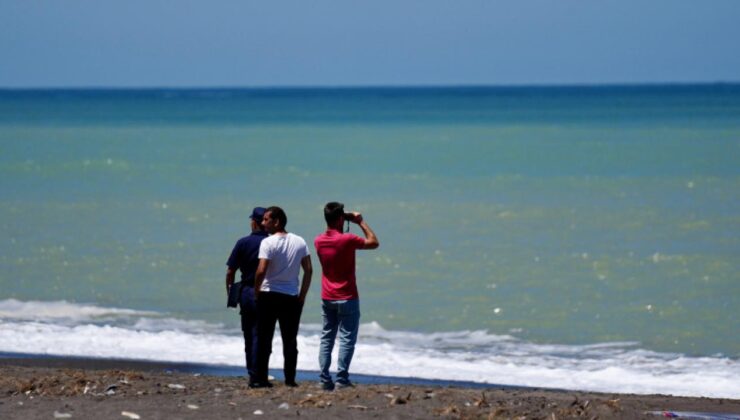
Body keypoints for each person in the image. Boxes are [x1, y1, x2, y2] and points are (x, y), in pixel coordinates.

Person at [314, 202, 379, 390]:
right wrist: (360, 222)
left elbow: (332, 234)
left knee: (327, 338)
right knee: (347, 338)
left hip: (327, 296)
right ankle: (342, 379)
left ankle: (324, 379)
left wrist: (343, 218)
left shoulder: (318, 241)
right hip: (348, 296)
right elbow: (374, 242)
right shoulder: (347, 239)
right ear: (340, 218)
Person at [252, 206, 313, 388]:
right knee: (290, 341)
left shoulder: (268, 243)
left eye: (266, 220)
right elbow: (309, 270)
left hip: (269, 295)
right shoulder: (300, 241)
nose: (263, 224)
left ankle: (261, 378)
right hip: (291, 297)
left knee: (264, 339)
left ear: (277, 221)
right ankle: (290, 379)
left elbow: (261, 270)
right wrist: (302, 295)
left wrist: (256, 291)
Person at [225, 206, 268, 387]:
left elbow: (230, 272)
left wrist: (230, 292)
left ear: (254, 222)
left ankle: (253, 374)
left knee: (249, 335)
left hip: (247, 291)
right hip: (267, 292)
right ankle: (261, 375)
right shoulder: (271, 243)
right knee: (263, 335)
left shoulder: (242, 243)